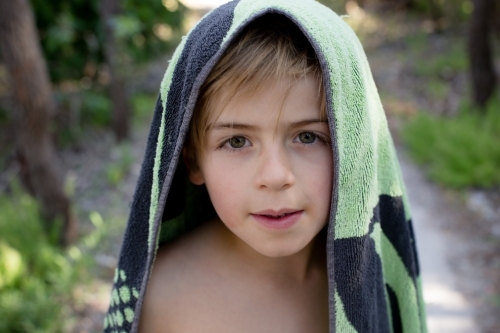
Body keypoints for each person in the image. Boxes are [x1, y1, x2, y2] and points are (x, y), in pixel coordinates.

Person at [103, 1, 427, 333]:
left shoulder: (376, 277)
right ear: (193, 159)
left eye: (307, 136)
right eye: (237, 142)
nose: (275, 176)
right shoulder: (161, 297)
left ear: (354, 145)